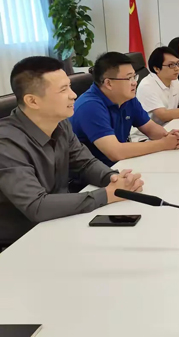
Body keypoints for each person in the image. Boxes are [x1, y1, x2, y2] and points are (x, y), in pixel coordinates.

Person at [0, 57, 144, 245]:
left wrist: (114, 179)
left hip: (62, 221)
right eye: (63, 90)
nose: (73, 95)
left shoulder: (60, 124)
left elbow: (85, 164)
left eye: (69, 86)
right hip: (22, 240)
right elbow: (36, 205)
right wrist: (108, 194)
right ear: (33, 101)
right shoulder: (6, 143)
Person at [70, 52, 179, 167]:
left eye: (134, 76)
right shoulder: (90, 106)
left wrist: (168, 136)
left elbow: (150, 128)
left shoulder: (127, 98)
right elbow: (116, 152)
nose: (134, 83)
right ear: (108, 83)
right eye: (129, 78)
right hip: (94, 173)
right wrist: (163, 144)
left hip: (121, 164)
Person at [136, 46, 179, 125]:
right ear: (156, 69)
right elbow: (163, 115)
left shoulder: (173, 79)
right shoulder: (147, 86)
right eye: (171, 65)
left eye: (178, 64)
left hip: (172, 124)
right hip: (153, 131)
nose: (177, 68)